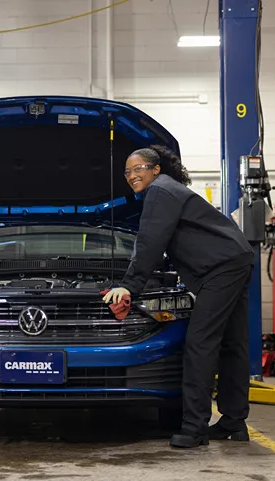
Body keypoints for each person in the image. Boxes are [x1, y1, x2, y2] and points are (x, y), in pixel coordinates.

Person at [102, 145, 254, 449]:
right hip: (236, 259)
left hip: (220, 268)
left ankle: (194, 428)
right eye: (128, 171)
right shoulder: (169, 190)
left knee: (200, 343)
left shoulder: (160, 191)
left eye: (139, 168)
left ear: (156, 169)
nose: (132, 175)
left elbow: (150, 240)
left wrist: (130, 286)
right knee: (231, 343)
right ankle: (234, 423)